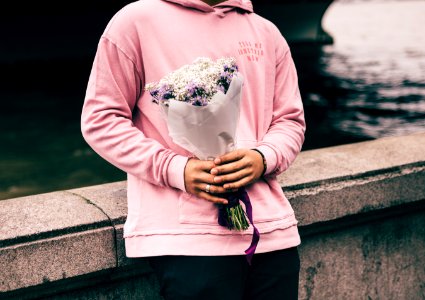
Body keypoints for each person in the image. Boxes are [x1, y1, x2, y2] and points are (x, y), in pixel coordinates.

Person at [81, 0, 306, 299]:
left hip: (272, 234)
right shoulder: (135, 21)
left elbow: (290, 121)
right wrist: (176, 169)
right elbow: (100, 119)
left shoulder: (267, 32)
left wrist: (263, 157)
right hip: (186, 241)